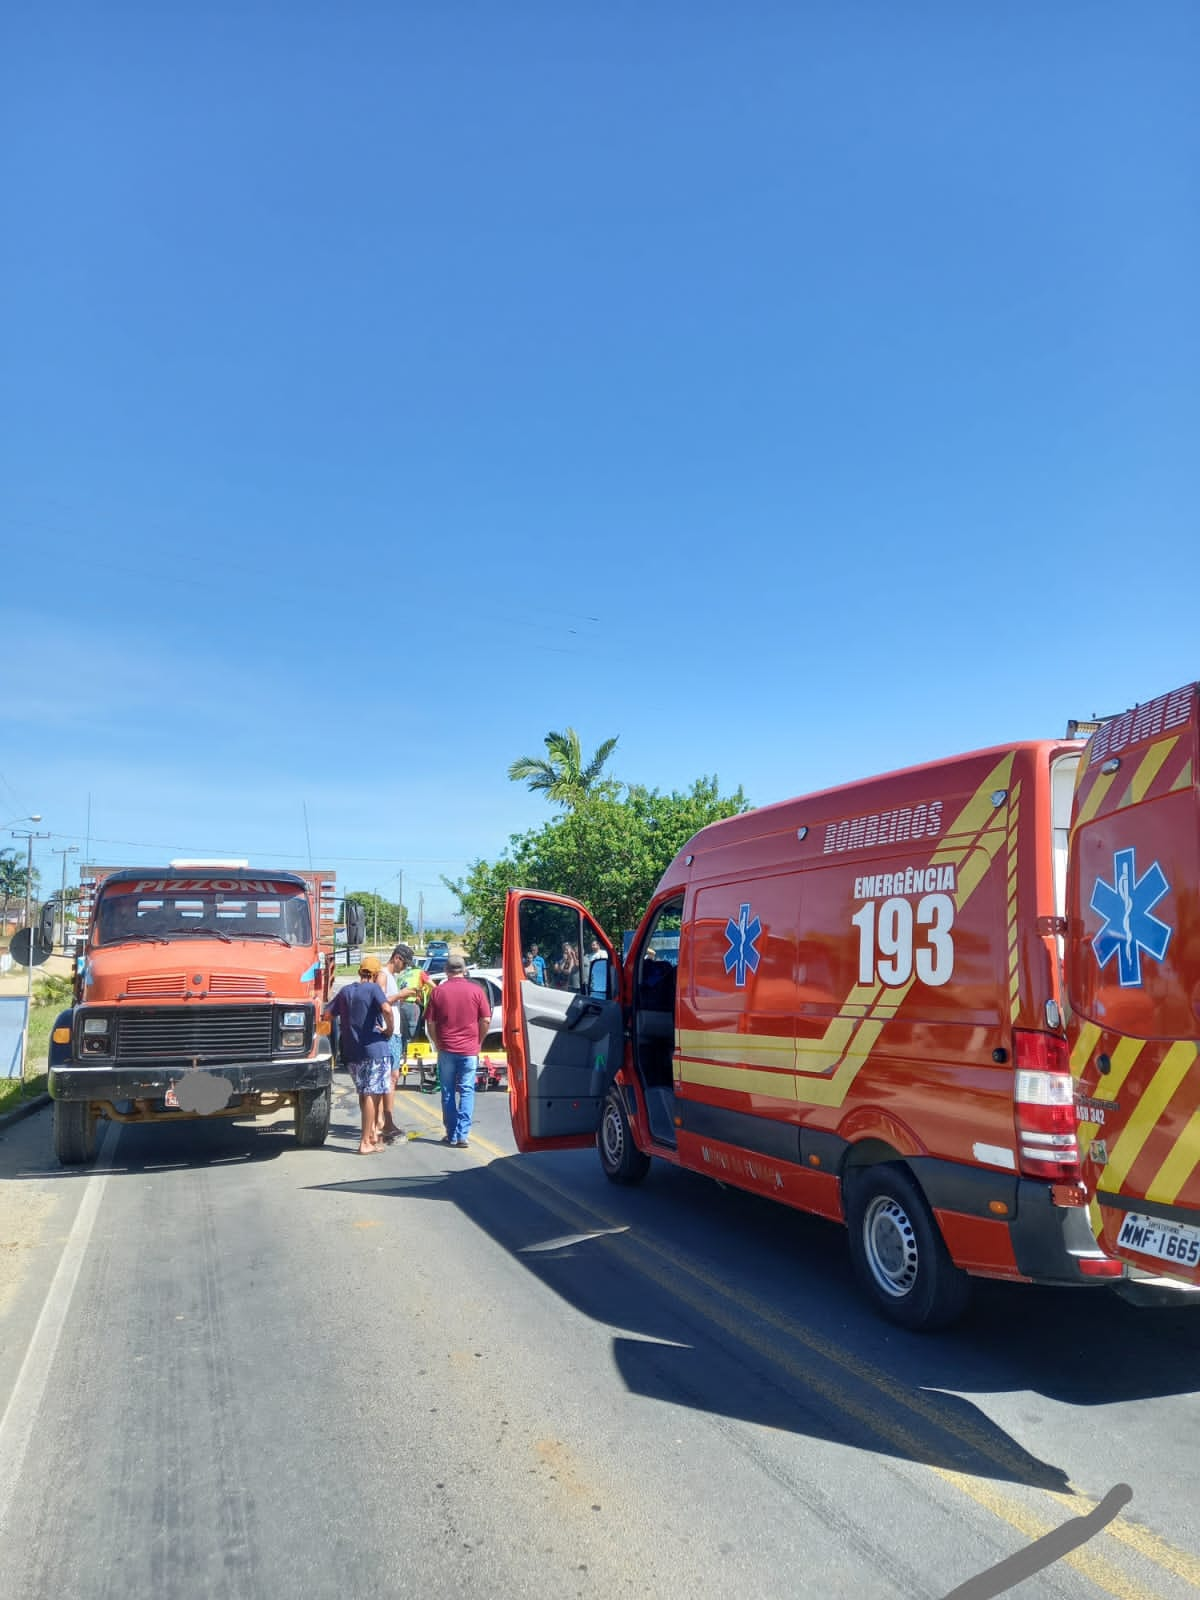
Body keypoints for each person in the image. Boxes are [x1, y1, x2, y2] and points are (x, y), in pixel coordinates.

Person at [323, 955, 394, 1154]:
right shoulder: (373, 989)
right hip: (374, 1049)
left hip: (352, 1052)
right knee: (373, 1093)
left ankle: (371, 1135)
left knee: (364, 1093)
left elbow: (328, 1014)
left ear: (359, 972)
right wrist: (389, 1028)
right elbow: (387, 1008)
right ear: (375, 974)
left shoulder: (346, 991)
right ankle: (365, 1141)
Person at [423, 952, 490, 1149]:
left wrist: (437, 1043)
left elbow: (430, 1022)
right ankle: (463, 1135)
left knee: (448, 1091)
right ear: (464, 970)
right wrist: (479, 1041)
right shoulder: (477, 990)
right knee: (467, 1090)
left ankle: (451, 1133)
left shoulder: (438, 992)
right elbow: (485, 1020)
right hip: (469, 1049)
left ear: (446, 970)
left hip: (447, 1049)